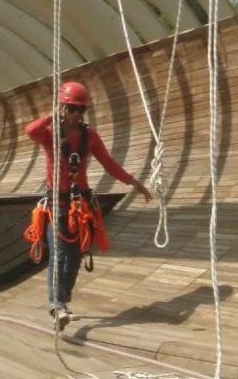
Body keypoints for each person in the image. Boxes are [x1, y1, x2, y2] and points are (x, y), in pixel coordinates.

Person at [24, 80, 152, 331]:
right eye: (71, 108)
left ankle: (63, 301)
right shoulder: (50, 134)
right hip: (56, 205)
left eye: (80, 110)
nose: (76, 114)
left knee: (74, 256)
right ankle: (55, 305)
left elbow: (108, 163)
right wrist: (52, 114)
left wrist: (133, 182)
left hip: (78, 206)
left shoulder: (89, 136)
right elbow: (30, 131)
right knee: (58, 254)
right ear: (63, 108)